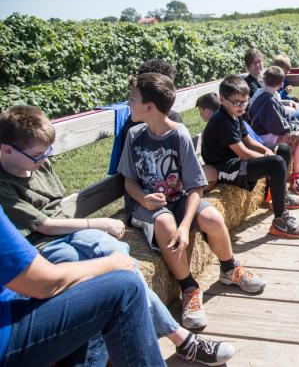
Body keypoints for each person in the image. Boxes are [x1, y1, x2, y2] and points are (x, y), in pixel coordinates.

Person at [0, 105, 233, 365]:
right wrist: (98, 223)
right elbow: (43, 227)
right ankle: (183, 339)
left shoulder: (36, 160)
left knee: (121, 260)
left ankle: (180, 338)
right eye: (37, 155)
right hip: (43, 241)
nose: (44, 159)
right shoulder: (4, 186)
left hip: (68, 230)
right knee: (108, 269)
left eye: (48, 152)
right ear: (6, 149)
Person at [118, 73, 265, 332]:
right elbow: (128, 181)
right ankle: (189, 288)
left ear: (149, 107)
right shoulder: (134, 136)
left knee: (213, 218)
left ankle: (230, 268)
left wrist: (186, 225)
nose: (129, 104)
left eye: (132, 100)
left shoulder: (178, 135)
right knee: (164, 223)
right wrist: (144, 199)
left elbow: (195, 186)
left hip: (178, 198)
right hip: (146, 204)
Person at [0, 205, 165, 366]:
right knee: (127, 288)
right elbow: (45, 284)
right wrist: (110, 264)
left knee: (88, 288)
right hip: (6, 333)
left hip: (11, 302)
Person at [201, 75, 299, 239]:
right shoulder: (221, 121)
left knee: (284, 150)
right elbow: (243, 152)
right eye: (237, 102)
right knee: (276, 162)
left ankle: (279, 197)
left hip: (238, 161)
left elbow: (249, 141)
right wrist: (267, 157)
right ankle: (280, 220)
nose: (241, 106)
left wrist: (266, 150)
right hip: (226, 168)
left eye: (244, 102)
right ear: (222, 99)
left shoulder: (234, 115)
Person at [248, 66, 299, 194]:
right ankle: (296, 177)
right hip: (266, 139)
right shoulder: (268, 101)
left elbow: (284, 117)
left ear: (264, 79)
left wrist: (298, 124)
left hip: (272, 133)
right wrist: (297, 127)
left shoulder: (266, 93)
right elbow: (279, 128)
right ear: (281, 83)